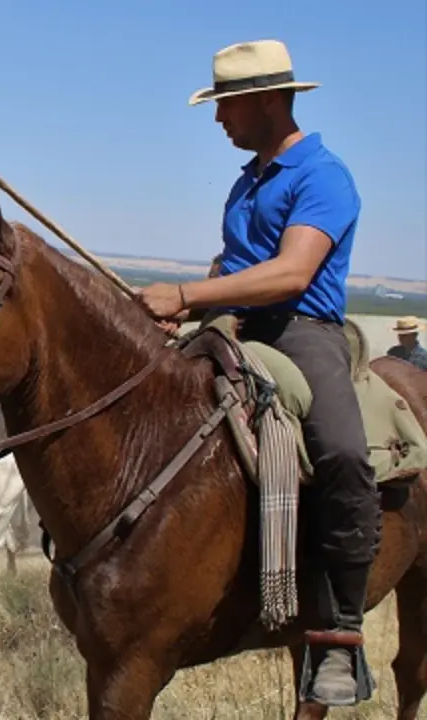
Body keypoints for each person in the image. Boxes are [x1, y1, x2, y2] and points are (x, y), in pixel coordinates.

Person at [136, 39, 379, 707]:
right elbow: (236, 264)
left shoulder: (322, 174)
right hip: (233, 327)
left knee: (345, 455)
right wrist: (183, 318)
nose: (219, 121)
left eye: (227, 107)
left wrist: (184, 296)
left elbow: (292, 273)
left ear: (269, 100)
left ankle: (339, 636)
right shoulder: (249, 180)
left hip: (302, 334)